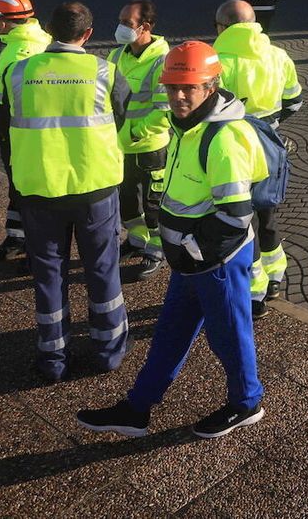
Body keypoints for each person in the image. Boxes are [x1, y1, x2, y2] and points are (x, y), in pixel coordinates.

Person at [76, 42, 267, 440]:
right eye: (173, 87)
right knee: (170, 333)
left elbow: (234, 217)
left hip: (217, 262)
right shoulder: (187, 125)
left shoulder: (223, 138)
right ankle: (137, 407)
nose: (179, 96)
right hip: (191, 259)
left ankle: (247, 403)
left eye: (189, 88)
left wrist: (193, 251)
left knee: (230, 336)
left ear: (211, 86)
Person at [0, 2, 130, 383]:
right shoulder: (105, 71)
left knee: (49, 273)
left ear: (48, 31)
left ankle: (53, 355)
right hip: (94, 188)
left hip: (38, 189)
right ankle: (108, 350)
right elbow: (120, 116)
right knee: (102, 268)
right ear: (87, 35)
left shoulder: (18, 72)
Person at [214, 0, 303, 318]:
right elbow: (294, 102)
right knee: (267, 217)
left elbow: (211, 115)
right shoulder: (278, 56)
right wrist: (271, 127)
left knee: (241, 222)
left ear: (223, 27)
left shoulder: (218, 62)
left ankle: (254, 292)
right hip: (270, 148)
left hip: (234, 153)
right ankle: (275, 276)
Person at [0, 0, 51, 263]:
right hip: (37, 132)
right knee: (20, 190)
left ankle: (34, 249)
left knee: (25, 190)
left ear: (3, 21)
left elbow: (1, 103)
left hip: (19, 136)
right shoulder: (43, 39)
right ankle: (17, 239)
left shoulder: (16, 52)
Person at [111, 0, 170, 284]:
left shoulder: (163, 60)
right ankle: (136, 241)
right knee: (127, 202)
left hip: (149, 146)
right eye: (121, 21)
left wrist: (134, 133)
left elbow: (165, 110)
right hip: (119, 147)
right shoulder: (115, 56)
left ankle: (157, 250)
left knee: (154, 204)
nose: (120, 27)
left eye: (127, 23)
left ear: (145, 27)